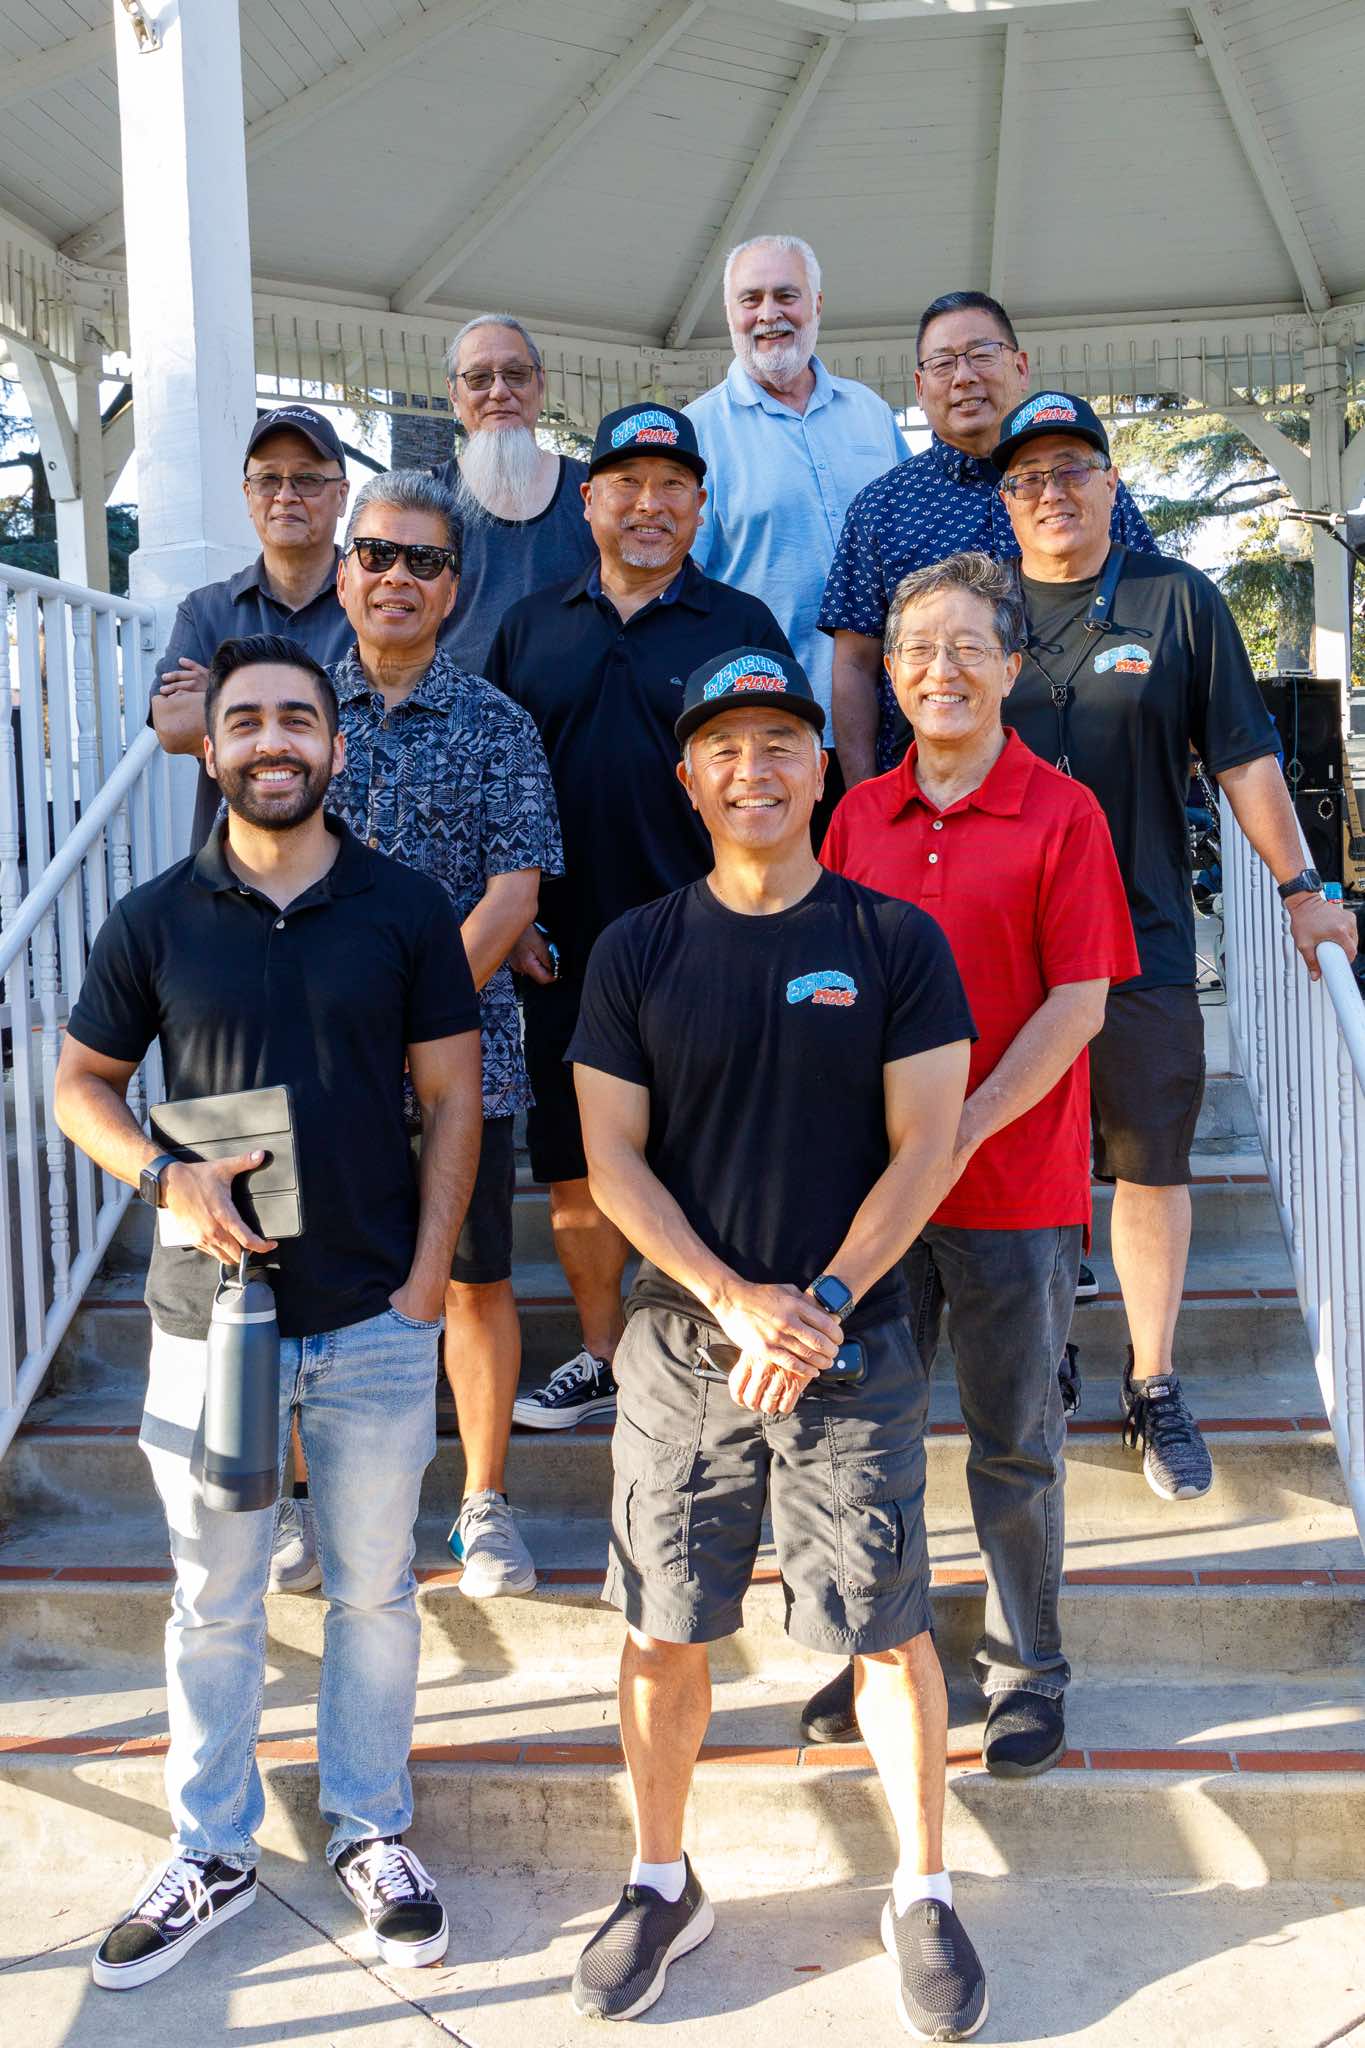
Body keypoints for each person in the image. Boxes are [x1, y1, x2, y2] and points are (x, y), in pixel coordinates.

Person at [565, 648, 988, 2037]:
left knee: (886, 1632)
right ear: (689, 779)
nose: (753, 769)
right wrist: (734, 1296)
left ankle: (922, 1889)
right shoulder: (636, 949)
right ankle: (660, 1880)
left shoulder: (893, 941)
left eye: (781, 744)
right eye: (725, 747)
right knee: (661, 1626)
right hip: (684, 1350)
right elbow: (613, 1163)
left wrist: (822, 1299)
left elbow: (927, 1145)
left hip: (851, 1345)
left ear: (822, 769)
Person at [54, 635, 482, 1990]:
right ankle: (211, 1850)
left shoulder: (405, 907)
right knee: (213, 1600)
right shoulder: (154, 916)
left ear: (335, 746)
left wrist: (427, 1282)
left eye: (298, 718)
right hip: (209, 1321)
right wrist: (162, 1176)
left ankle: (370, 1827)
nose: (273, 741)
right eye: (246, 721)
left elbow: (455, 1097)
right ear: (214, 744)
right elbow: (79, 1084)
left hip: (371, 1315)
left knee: (374, 1592)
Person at [798, 552, 1140, 1772]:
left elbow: (1079, 1004)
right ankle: (874, 1647)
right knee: (867, 1438)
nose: (940, 668)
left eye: (966, 646)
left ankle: (1025, 1668)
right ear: (890, 673)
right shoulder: (856, 818)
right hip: (873, 1200)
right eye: (917, 649)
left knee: (1014, 1442)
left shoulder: (1064, 813)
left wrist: (962, 1130)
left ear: (1009, 664)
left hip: (1014, 1189)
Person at [992, 389, 1359, 1503]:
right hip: (1004, 947)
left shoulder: (1176, 599)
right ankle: (1046, 1353)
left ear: (1113, 484)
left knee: (1149, 1163)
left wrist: (1301, 889)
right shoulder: (977, 607)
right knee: (1027, 1158)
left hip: (1139, 939)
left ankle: (1152, 1381)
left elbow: (1243, 756)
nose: (1051, 492)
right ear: (1004, 501)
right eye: (1027, 478)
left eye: (1073, 469)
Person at [484, 404, 791, 1427]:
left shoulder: (741, 625)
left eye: (671, 486)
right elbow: (498, 789)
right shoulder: (530, 626)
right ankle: (604, 1354)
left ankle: (716, 1343)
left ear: (700, 506)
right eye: (626, 483)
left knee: (714, 1152)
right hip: (559, 951)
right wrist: (511, 920)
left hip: (709, 942)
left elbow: (783, 780)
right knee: (577, 1167)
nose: (648, 504)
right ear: (588, 501)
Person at [326, 469, 562, 1598]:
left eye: (423, 561)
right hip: (313, 1058)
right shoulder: (291, 714)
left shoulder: (498, 724)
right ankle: (307, 1502)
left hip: (464, 1059)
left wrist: (405, 1017)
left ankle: (482, 1507)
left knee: (473, 1276)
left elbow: (514, 894)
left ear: (453, 589)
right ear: (344, 573)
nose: (398, 578)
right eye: (377, 554)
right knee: (314, 1276)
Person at [819, 290, 1157, 785]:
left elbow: (1149, 610)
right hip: (932, 794)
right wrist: (864, 795)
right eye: (943, 363)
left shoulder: (1086, 488)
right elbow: (854, 666)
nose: (964, 377)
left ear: (1020, 368)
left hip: (1091, 779)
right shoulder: (881, 509)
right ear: (920, 386)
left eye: (981, 355)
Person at [685, 233, 908, 834]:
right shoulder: (697, 432)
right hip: (774, 736)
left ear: (817, 305)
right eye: (750, 299)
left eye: (786, 295)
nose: (769, 314)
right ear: (729, 314)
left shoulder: (870, 412)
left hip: (900, 717)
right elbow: (685, 593)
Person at [149, 404, 354, 850]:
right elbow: (173, 725)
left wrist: (222, 693)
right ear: (248, 494)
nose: (285, 495)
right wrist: (329, 703)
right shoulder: (205, 610)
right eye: (268, 480)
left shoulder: (374, 603)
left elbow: (394, 718)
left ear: (341, 495)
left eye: (307, 479)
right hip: (232, 868)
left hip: (353, 860)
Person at [431, 313, 597, 669]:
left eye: (516, 374)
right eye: (478, 378)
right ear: (454, 394)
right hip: (453, 704)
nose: (499, 391)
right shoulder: (425, 499)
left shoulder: (594, 492)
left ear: (540, 383)